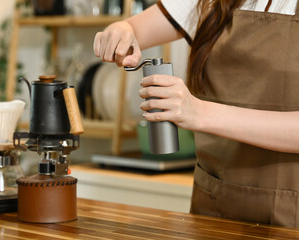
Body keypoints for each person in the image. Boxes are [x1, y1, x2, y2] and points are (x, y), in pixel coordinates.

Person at [93, 0, 299, 228]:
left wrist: (198, 112)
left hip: (290, 215)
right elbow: (132, 28)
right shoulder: (209, 2)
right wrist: (121, 31)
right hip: (214, 202)